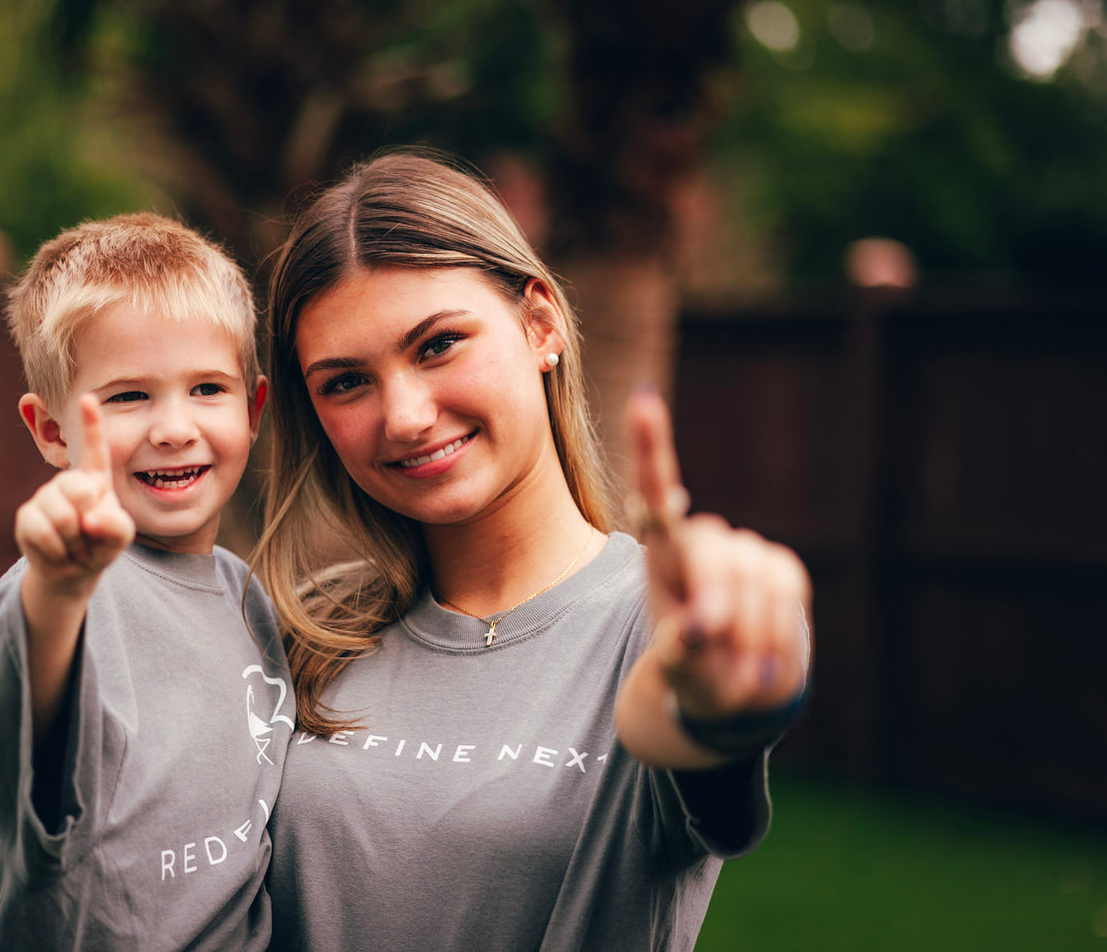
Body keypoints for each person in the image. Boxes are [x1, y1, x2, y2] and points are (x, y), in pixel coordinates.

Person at [254, 152, 812, 951]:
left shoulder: (653, 624)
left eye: (438, 344)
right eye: (346, 382)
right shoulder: (301, 633)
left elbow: (707, 773)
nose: (405, 416)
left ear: (540, 323)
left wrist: (726, 701)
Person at [0, 212, 293, 950]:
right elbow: (20, 690)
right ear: (52, 432)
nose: (174, 427)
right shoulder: (73, 585)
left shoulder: (245, 598)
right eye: (128, 396)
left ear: (253, 409)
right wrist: (57, 593)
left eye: (206, 389)